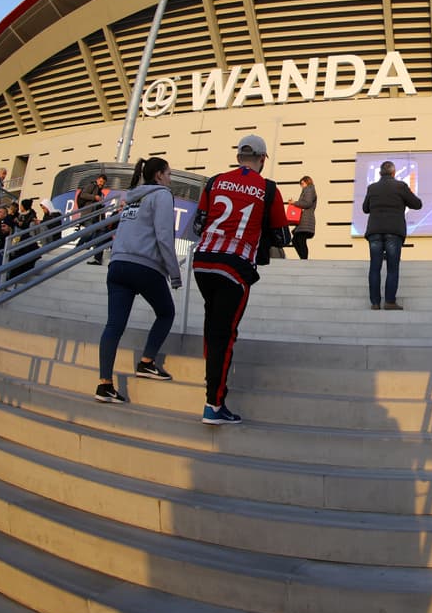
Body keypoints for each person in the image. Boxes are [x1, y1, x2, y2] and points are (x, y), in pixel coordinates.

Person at [192, 135, 287, 425]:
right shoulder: (268, 189)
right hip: (235, 267)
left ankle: (212, 388)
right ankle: (214, 404)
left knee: (213, 328)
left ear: (238, 157)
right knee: (225, 335)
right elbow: (283, 237)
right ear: (262, 159)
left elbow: (198, 224)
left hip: (203, 261)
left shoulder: (215, 181)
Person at [93, 157, 183, 404]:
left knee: (114, 326)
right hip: (143, 266)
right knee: (166, 313)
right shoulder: (162, 195)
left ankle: (105, 385)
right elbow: (164, 236)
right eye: (169, 173)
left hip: (118, 264)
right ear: (159, 176)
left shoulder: (132, 196)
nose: (170, 178)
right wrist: (175, 273)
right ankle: (146, 362)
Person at [362, 160, 423, 310]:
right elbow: (417, 204)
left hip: (375, 231)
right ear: (394, 173)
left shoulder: (372, 188)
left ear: (380, 173)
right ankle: (389, 302)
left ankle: (375, 303)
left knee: (374, 267)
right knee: (392, 268)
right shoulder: (400, 186)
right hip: (394, 232)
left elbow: (365, 208)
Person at [75, 172, 108, 265]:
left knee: (93, 233)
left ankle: (83, 247)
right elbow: (83, 195)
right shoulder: (91, 186)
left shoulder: (101, 193)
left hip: (96, 216)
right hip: (88, 214)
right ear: (97, 180)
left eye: (103, 182)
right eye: (101, 181)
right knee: (90, 232)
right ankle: (79, 247)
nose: (101, 183)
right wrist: (94, 197)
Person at [288, 176, 317, 260]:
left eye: (302, 183)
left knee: (299, 239)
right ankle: (303, 259)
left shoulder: (309, 189)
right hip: (304, 221)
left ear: (307, 182)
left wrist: (294, 203)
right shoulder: (308, 190)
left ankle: (304, 260)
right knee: (297, 240)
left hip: (306, 220)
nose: (301, 186)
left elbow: (307, 203)